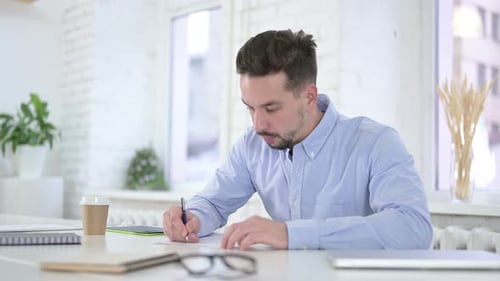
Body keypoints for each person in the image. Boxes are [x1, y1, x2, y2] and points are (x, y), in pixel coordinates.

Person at [162, 29, 433, 250]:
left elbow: (413, 228)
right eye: (250, 107)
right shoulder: (253, 145)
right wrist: (192, 217)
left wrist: (292, 234)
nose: (258, 124)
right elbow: (213, 202)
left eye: (271, 109)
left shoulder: (375, 143)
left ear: (309, 97)